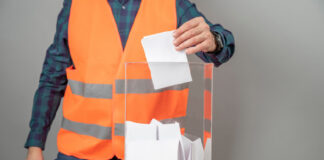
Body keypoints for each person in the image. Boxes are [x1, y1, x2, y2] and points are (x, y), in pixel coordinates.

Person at [24, 0, 235, 159]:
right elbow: (52, 77)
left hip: (153, 151)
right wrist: (36, 144)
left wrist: (214, 40)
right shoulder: (76, 5)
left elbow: (220, 42)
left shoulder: (172, 4)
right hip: (80, 153)